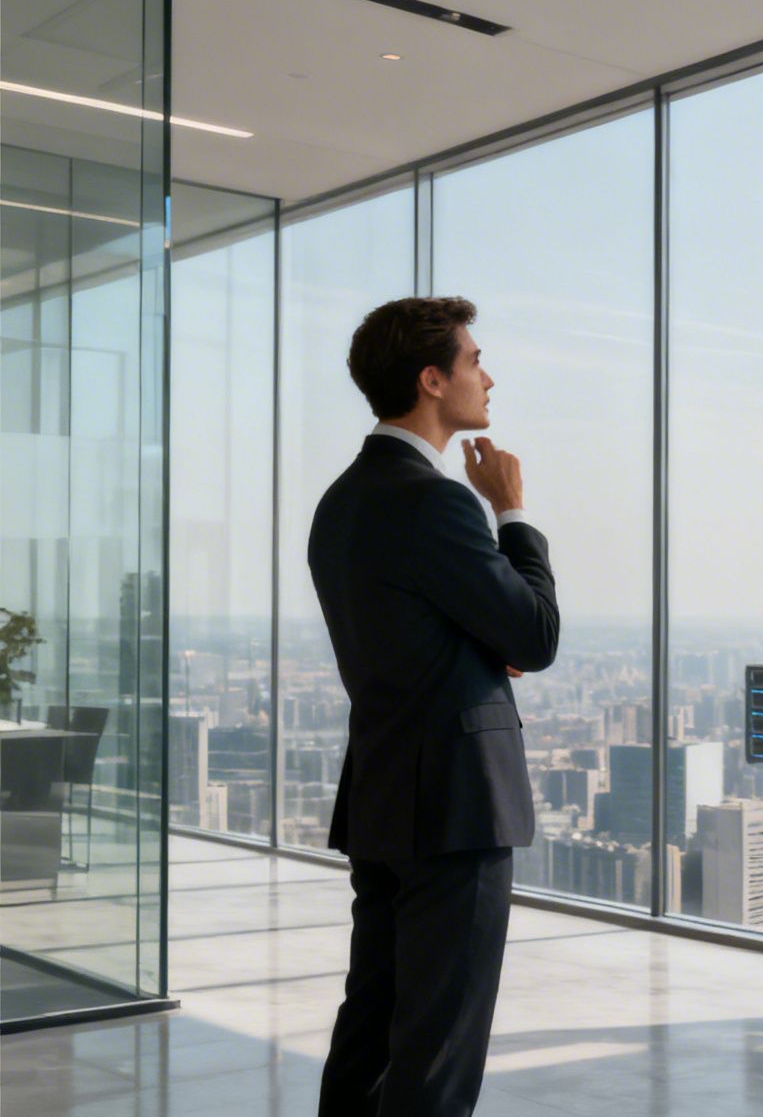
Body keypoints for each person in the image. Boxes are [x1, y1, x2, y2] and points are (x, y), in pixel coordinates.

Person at [310, 296, 558, 1116]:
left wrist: (485, 649)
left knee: (372, 1029)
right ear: (431, 378)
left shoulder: (341, 501)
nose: (488, 376)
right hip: (455, 810)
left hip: (384, 796)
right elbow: (537, 632)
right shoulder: (437, 501)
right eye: (474, 360)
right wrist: (510, 509)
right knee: (438, 1052)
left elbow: (410, 634)